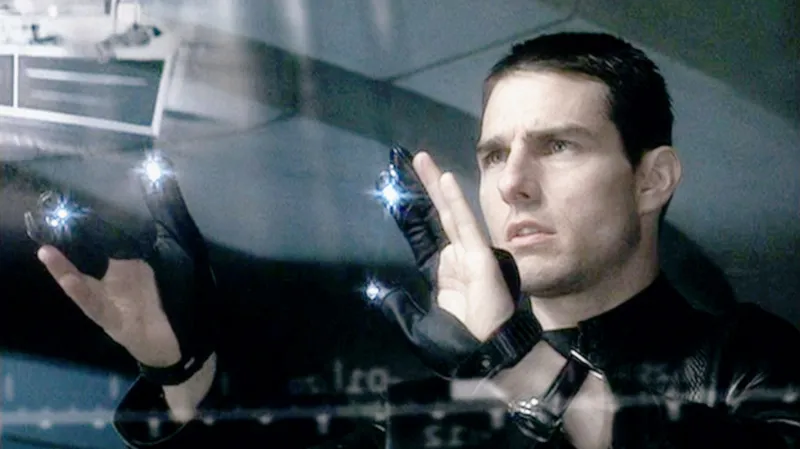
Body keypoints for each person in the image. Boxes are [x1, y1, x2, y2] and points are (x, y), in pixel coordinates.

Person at [27, 32, 800, 449]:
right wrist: (183, 372)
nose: (512, 183)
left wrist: (519, 361)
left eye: (559, 146)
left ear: (652, 178)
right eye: (494, 155)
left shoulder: (750, 364)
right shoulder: (426, 411)